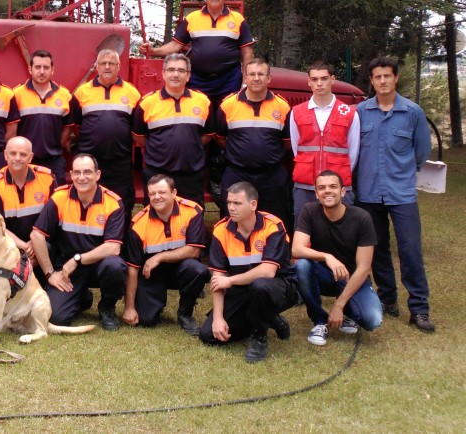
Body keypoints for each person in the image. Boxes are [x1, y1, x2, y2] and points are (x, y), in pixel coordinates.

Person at [356, 57, 434, 332]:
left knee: (410, 249)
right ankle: (387, 299)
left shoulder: (412, 112)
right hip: (367, 192)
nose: (382, 81)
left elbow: (421, 153)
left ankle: (419, 308)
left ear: (396, 78)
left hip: (401, 194)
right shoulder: (360, 112)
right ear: (371, 80)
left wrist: (401, 173)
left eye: (387, 76)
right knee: (376, 249)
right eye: (377, 77)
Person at [199, 182, 298, 363]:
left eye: (237, 203)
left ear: (253, 205)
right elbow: (217, 278)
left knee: (260, 286)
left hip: (278, 287)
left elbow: (268, 272)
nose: (231, 208)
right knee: (208, 335)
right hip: (242, 289)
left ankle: (259, 337)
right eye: (229, 202)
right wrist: (218, 319)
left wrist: (230, 281)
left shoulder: (273, 227)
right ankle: (271, 319)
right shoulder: (221, 230)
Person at [31, 154, 127, 331]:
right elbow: (36, 235)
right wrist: (50, 274)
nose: (82, 177)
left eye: (87, 172)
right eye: (77, 172)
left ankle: (107, 308)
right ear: (71, 175)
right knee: (56, 318)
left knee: (115, 266)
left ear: (97, 175)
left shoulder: (113, 202)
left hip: (97, 265)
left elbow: (113, 248)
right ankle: (82, 297)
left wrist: (77, 259)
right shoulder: (60, 197)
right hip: (67, 269)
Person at [293, 171, 383, 346]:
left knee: (373, 320)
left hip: (352, 278)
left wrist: (339, 305)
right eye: (322, 188)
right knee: (302, 265)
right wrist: (327, 256)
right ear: (316, 193)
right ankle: (319, 321)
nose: (327, 191)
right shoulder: (309, 211)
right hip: (323, 276)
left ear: (343, 191)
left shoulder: (361, 218)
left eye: (333, 187)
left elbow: (364, 268)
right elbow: (296, 249)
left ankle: (348, 311)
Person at [139, 0, 253, 105]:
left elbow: (247, 53)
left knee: (227, 119)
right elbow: (176, 45)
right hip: (198, 80)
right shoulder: (192, 18)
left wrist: (246, 81)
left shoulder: (238, 19)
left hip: (229, 80)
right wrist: (153, 50)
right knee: (198, 117)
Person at [122, 174, 209, 335]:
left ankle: (185, 314)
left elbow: (194, 250)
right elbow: (132, 268)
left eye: (162, 192)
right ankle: (155, 304)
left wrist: (159, 256)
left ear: (174, 193)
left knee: (197, 269)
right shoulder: (138, 224)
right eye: (152, 193)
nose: (157, 197)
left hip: (182, 269)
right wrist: (129, 307)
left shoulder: (192, 211)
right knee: (146, 320)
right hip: (152, 273)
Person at [215, 58, 292, 230]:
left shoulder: (282, 106)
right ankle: (229, 254)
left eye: (261, 74)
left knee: (275, 221)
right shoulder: (228, 105)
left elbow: (287, 143)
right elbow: (220, 138)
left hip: (272, 175)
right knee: (232, 219)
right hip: (237, 173)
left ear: (269, 78)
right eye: (252, 74)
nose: (256, 78)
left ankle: (275, 255)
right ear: (245, 77)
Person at [132, 53, 212, 204]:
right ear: (163, 73)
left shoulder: (202, 101)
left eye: (181, 71)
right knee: (156, 220)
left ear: (188, 75)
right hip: (157, 174)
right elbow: (138, 136)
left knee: (192, 221)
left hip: (191, 175)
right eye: (171, 70)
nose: (176, 74)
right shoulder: (147, 103)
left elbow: (208, 135)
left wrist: (190, 145)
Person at [73, 48, 141, 214]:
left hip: (120, 162)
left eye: (112, 63)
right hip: (90, 162)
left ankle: (121, 238)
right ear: (97, 66)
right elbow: (76, 126)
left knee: (122, 205)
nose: (107, 67)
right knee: (89, 205)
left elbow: (136, 128)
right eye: (103, 63)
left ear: (119, 67)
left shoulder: (132, 93)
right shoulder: (82, 92)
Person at [290, 60, 359, 217]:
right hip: (305, 186)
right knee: (304, 233)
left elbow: (353, 152)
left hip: (338, 187)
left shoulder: (348, 113)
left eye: (324, 78)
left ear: (332, 79)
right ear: (309, 82)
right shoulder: (297, 112)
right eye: (314, 79)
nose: (319, 83)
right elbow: (297, 148)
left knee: (340, 233)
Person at [0, 136, 56, 258]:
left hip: (42, 242)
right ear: (5, 155)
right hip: (8, 245)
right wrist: (24, 246)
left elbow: (53, 218)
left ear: (30, 157)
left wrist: (35, 243)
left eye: (23, 154)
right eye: (13, 153)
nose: (17, 158)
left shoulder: (47, 178)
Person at [11, 50, 79, 182]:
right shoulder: (16, 95)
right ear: (30, 69)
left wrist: (57, 146)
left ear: (52, 70)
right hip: (25, 162)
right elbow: (11, 130)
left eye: (46, 67)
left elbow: (68, 128)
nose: (41, 71)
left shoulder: (64, 95)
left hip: (54, 162)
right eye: (37, 67)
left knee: (55, 200)